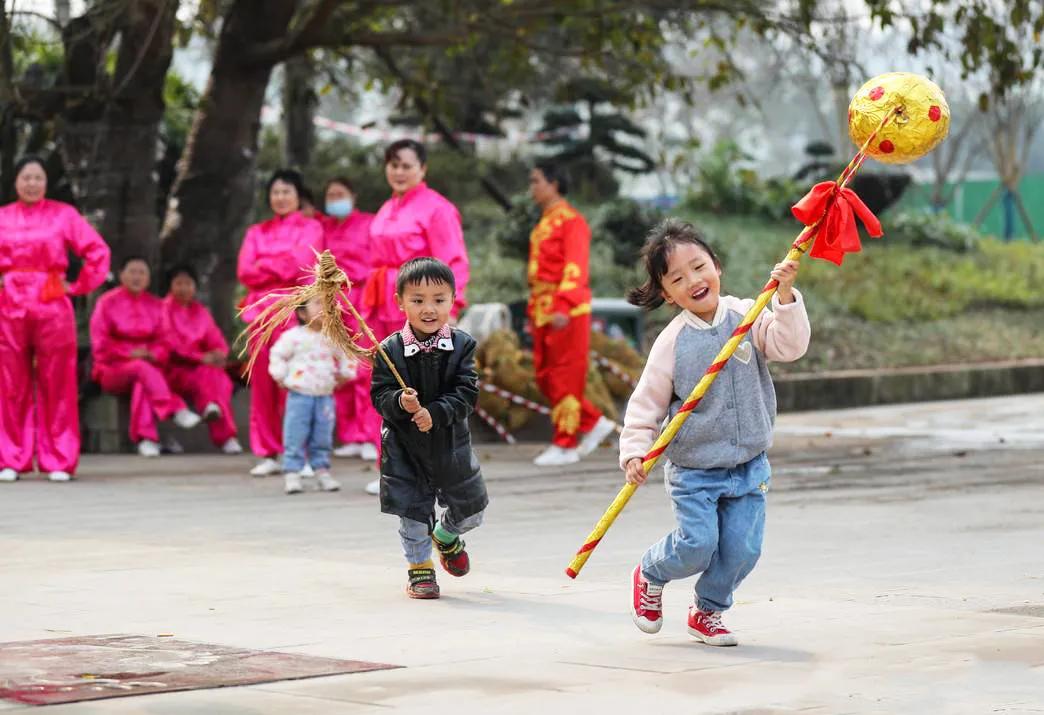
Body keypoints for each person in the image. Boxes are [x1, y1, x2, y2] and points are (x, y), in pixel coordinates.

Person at [621, 219, 810, 646]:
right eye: (677, 278)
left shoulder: (748, 314)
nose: (693, 280)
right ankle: (651, 571)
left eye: (699, 266)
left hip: (748, 464)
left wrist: (783, 298)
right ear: (667, 294)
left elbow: (790, 346)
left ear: (717, 266)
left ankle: (707, 611)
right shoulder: (672, 342)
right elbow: (646, 403)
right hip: (696, 469)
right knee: (697, 545)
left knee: (743, 550)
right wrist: (635, 451)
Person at [370, 257, 487, 599]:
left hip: (450, 444)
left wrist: (435, 412)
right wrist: (399, 403)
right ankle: (420, 568)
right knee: (413, 512)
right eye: (417, 300)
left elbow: (467, 393)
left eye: (439, 299)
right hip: (405, 449)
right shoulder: (389, 350)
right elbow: (379, 395)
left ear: (453, 300)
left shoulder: (463, 346)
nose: (429, 309)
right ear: (400, 302)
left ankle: (447, 536)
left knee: (472, 509)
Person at [363, 139, 469, 495]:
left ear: (422, 168)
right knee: (388, 382)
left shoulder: (437, 208)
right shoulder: (386, 207)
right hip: (386, 301)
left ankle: (429, 469)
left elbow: (453, 259)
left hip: (421, 307)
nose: (399, 171)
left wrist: (449, 306)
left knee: (423, 384)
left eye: (406, 165)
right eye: (393, 165)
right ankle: (394, 466)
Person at [0, 156, 111, 482]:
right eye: (26, 177)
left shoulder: (63, 215)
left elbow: (97, 252)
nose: (32, 183)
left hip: (51, 303)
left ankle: (59, 458)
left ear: (45, 183)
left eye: (38, 177)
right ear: (16, 182)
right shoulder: (3, 217)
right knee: (10, 384)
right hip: (9, 305)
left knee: (57, 382)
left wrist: (77, 286)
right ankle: (11, 458)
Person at [526, 162, 616, 467]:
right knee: (545, 376)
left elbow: (575, 267)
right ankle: (592, 423)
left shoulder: (571, 221)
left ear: (554, 183)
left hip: (567, 310)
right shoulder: (545, 222)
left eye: (536, 181)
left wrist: (563, 304)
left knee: (565, 375)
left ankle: (565, 443)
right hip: (542, 309)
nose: (532, 187)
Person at [237, 169, 325, 477]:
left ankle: (299, 452)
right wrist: (279, 265)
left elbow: (302, 264)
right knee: (262, 382)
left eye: (287, 191)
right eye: (275, 192)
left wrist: (266, 265)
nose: (280, 197)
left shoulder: (312, 227)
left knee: (296, 380)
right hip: (260, 313)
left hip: (293, 311)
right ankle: (267, 451)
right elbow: (245, 270)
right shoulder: (256, 232)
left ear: (298, 196)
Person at [91, 256, 203, 457]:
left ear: (148, 278)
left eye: (142, 272)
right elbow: (100, 343)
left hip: (148, 369)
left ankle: (146, 440)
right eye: (132, 271)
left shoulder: (156, 306)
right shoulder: (106, 303)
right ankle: (173, 407)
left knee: (143, 380)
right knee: (141, 369)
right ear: (121, 275)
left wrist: (152, 354)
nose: (137, 277)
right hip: (112, 369)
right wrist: (128, 353)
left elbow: (166, 341)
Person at [268, 296, 357, 495]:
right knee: (295, 433)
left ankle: (322, 471)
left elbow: (347, 353)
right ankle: (292, 472)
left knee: (323, 435)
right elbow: (277, 354)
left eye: (327, 305)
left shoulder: (333, 336)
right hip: (300, 394)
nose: (324, 308)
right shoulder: (293, 337)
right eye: (317, 303)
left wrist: (345, 374)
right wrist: (280, 375)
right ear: (302, 313)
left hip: (324, 395)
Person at [320, 177, 380, 463]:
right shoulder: (323, 227)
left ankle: (371, 435)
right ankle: (350, 435)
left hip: (362, 298)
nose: (334, 199)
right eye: (330, 195)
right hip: (334, 302)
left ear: (353, 195)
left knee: (364, 367)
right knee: (340, 367)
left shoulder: (370, 223)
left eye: (340, 194)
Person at [162, 265, 242, 455]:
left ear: (195, 287)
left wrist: (218, 354)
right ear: (170, 286)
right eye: (179, 283)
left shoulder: (200, 312)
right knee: (212, 377)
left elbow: (216, 339)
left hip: (201, 368)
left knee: (218, 376)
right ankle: (225, 435)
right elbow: (169, 343)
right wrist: (200, 357)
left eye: (188, 283)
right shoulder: (163, 310)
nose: (183, 288)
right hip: (175, 369)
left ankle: (214, 412)